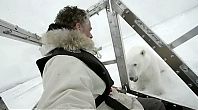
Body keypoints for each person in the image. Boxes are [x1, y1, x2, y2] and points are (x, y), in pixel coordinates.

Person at [35, 6, 166, 110]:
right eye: (89, 29)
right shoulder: (62, 61)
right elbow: (66, 101)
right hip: (111, 104)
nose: (91, 35)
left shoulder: (69, 53)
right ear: (78, 27)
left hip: (109, 98)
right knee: (157, 106)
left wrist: (103, 88)